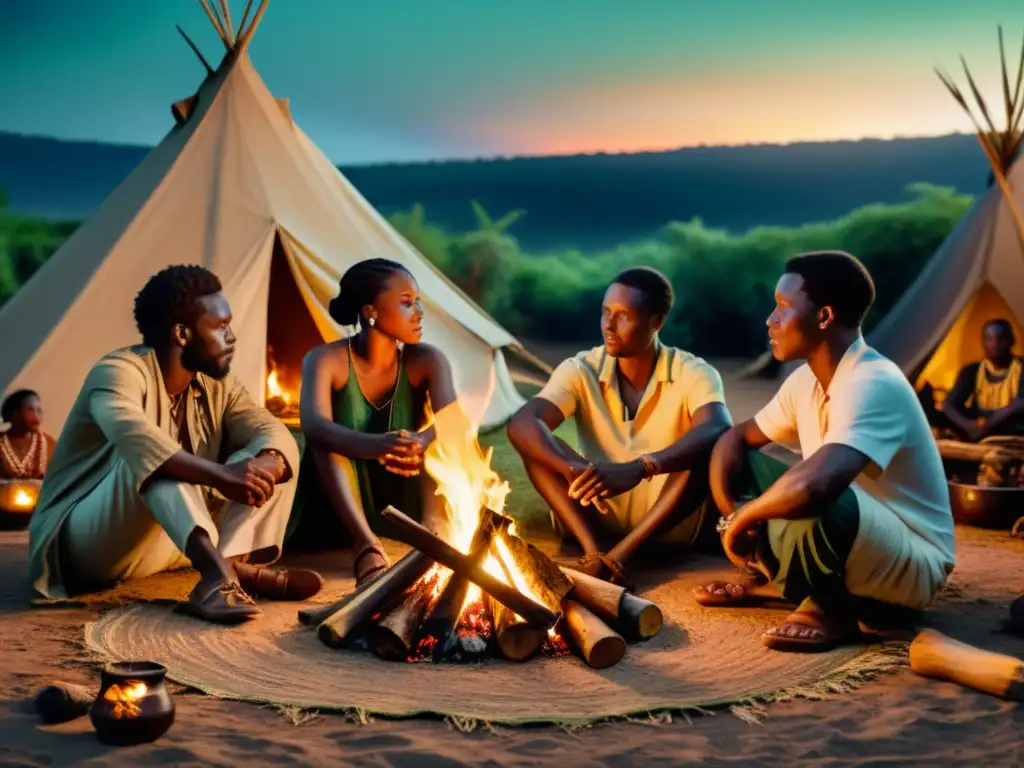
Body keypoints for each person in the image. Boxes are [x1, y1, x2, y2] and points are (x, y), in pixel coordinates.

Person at [28, 266, 320, 623]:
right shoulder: (118, 371)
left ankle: (229, 567)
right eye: (221, 326)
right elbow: (135, 437)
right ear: (182, 333)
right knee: (154, 456)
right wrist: (220, 476)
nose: (232, 336)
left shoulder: (218, 385)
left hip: (165, 548)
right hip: (84, 548)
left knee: (272, 450)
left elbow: (269, 428)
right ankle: (217, 578)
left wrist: (266, 465)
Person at [697, 251, 955, 652]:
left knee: (810, 497)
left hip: (913, 561)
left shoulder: (874, 380)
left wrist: (740, 520)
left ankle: (829, 608)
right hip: (855, 535)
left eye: (783, 307)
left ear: (824, 317)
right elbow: (735, 438)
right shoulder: (806, 381)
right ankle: (765, 574)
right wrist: (733, 509)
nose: (771, 320)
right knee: (746, 465)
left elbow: (816, 487)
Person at [507, 267, 732, 584]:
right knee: (537, 445)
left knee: (702, 450)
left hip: (669, 521)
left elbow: (717, 427)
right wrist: (571, 468)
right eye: (605, 313)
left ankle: (619, 557)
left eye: (623, 316)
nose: (609, 326)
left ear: (657, 321)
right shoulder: (581, 368)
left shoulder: (693, 371)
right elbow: (522, 423)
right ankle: (595, 552)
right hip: (596, 513)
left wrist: (641, 467)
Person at [292, 258, 457, 584]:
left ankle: (432, 537)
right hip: (338, 495)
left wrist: (419, 441)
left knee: (442, 442)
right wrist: (378, 445)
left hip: (403, 483)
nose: (419, 312)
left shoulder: (428, 360)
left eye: (418, 302)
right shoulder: (326, 359)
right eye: (407, 303)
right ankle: (366, 545)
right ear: (371, 312)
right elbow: (313, 425)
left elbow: (454, 422)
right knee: (326, 444)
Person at [937, 319, 1024, 441]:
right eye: (989, 339)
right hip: (977, 429)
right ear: (983, 343)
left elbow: (1020, 404)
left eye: (1000, 339)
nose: (995, 344)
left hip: (1010, 427)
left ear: (1012, 341)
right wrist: (969, 426)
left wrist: (989, 424)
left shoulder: (1020, 368)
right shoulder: (972, 371)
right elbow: (949, 403)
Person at [0, 390, 55, 480]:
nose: (37, 415)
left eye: (39, 410)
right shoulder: (2, 442)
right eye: (31, 409)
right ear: (15, 413)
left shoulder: (48, 443)